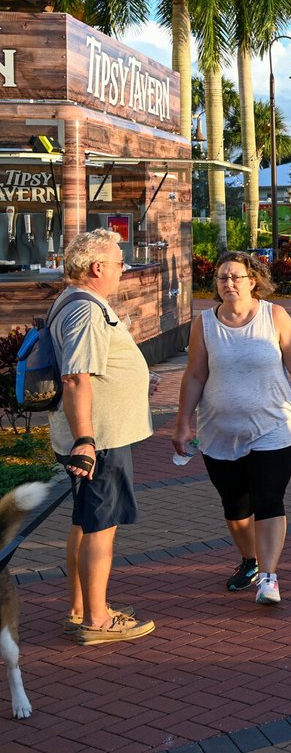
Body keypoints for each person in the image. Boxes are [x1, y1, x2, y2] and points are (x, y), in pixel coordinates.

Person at [172, 252, 291, 606]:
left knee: (268, 499)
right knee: (235, 504)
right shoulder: (204, 323)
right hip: (219, 429)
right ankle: (250, 561)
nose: (228, 283)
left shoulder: (274, 315)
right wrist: (183, 422)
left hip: (273, 424)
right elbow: (195, 373)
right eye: (221, 278)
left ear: (252, 281)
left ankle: (270, 577)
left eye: (235, 277)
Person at [50, 230, 156, 644]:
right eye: (118, 263)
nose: (122, 270)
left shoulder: (76, 301)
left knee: (84, 521)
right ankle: (97, 620)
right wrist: (86, 440)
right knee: (101, 525)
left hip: (96, 436)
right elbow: (76, 378)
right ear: (97, 268)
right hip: (100, 439)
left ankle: (82, 608)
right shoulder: (85, 310)